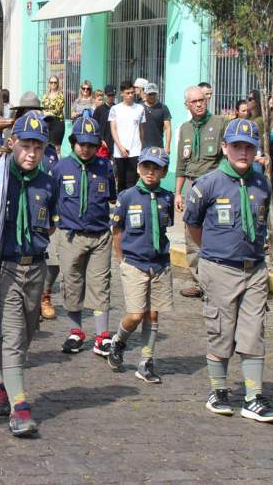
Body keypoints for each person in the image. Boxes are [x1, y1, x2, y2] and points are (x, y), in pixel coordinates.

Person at [183, 118, 273, 423]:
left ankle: (253, 397)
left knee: (253, 333)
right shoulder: (209, 183)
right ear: (224, 148)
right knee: (221, 331)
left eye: (248, 147)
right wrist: (211, 256)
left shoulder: (261, 181)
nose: (242, 152)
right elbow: (193, 225)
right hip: (220, 268)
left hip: (254, 269)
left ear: (255, 151)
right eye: (236, 145)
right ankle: (219, 391)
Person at [0, 113, 56, 438]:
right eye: (25, 146)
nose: (30, 153)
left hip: (36, 267)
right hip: (7, 267)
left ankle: (0, 383)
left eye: (37, 147)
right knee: (12, 339)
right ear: (12, 144)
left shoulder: (47, 181)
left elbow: (50, 223)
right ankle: (20, 408)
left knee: (26, 335)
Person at [51, 117, 116, 358]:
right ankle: (76, 331)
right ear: (73, 142)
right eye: (81, 144)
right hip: (71, 235)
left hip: (100, 235)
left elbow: (111, 196)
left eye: (90, 144)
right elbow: (52, 199)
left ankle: (102, 336)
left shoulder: (105, 167)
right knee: (72, 282)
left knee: (101, 284)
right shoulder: (61, 168)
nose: (85, 148)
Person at [108, 147, 174, 383]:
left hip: (159, 263)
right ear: (138, 168)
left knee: (153, 314)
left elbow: (165, 228)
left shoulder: (167, 197)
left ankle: (146, 362)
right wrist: (121, 259)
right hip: (134, 262)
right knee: (136, 315)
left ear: (164, 172)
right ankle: (119, 340)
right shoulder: (127, 197)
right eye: (146, 166)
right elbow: (117, 230)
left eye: (156, 168)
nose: (150, 172)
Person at [174, 85, 229, 298]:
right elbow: (181, 163)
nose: (199, 104)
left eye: (202, 100)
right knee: (192, 234)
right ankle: (199, 281)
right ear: (187, 105)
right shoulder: (185, 129)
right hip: (192, 186)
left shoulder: (220, 123)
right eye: (194, 101)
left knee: (216, 232)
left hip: (215, 186)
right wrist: (178, 193)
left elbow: (227, 157)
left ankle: (217, 282)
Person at [109, 80, 146, 192]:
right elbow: (113, 129)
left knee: (132, 180)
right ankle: (121, 206)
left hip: (135, 151)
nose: (130, 95)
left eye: (132, 93)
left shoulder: (140, 109)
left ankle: (131, 206)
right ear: (122, 93)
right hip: (120, 151)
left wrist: (142, 148)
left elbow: (141, 130)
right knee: (121, 181)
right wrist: (120, 147)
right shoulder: (115, 109)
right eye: (127, 93)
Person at [140, 83, 172, 155]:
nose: (152, 96)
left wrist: (167, 146)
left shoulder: (163, 108)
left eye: (154, 94)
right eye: (150, 94)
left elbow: (168, 128)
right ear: (145, 94)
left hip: (158, 147)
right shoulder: (140, 108)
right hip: (142, 148)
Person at [40, 76, 65, 152]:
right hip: (46, 123)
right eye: (51, 82)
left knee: (56, 149)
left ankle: (57, 164)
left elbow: (57, 110)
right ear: (49, 84)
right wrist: (45, 112)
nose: (53, 84)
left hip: (57, 123)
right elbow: (42, 109)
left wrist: (46, 112)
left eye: (55, 82)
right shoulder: (45, 96)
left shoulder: (61, 95)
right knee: (45, 146)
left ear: (57, 84)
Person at [92, 85, 117, 159]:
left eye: (113, 95)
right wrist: (101, 139)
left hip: (115, 144)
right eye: (109, 95)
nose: (111, 97)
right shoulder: (99, 110)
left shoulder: (117, 109)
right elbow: (95, 126)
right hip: (102, 145)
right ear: (105, 96)